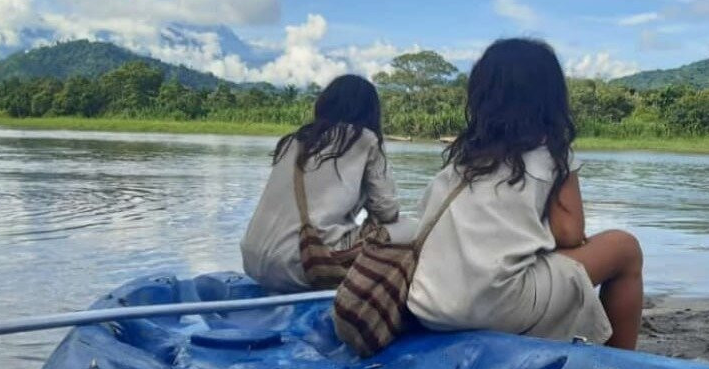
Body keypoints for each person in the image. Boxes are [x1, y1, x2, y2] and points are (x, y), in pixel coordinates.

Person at [407, 38, 643, 349]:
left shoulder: (462, 159)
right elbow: (570, 234)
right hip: (494, 308)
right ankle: (623, 364)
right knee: (625, 248)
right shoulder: (551, 152)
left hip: (430, 306)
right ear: (552, 97)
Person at [241, 75, 414, 292]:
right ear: (371, 111)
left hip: (252, 260)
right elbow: (387, 210)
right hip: (302, 265)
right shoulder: (364, 139)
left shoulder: (292, 140)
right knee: (413, 228)